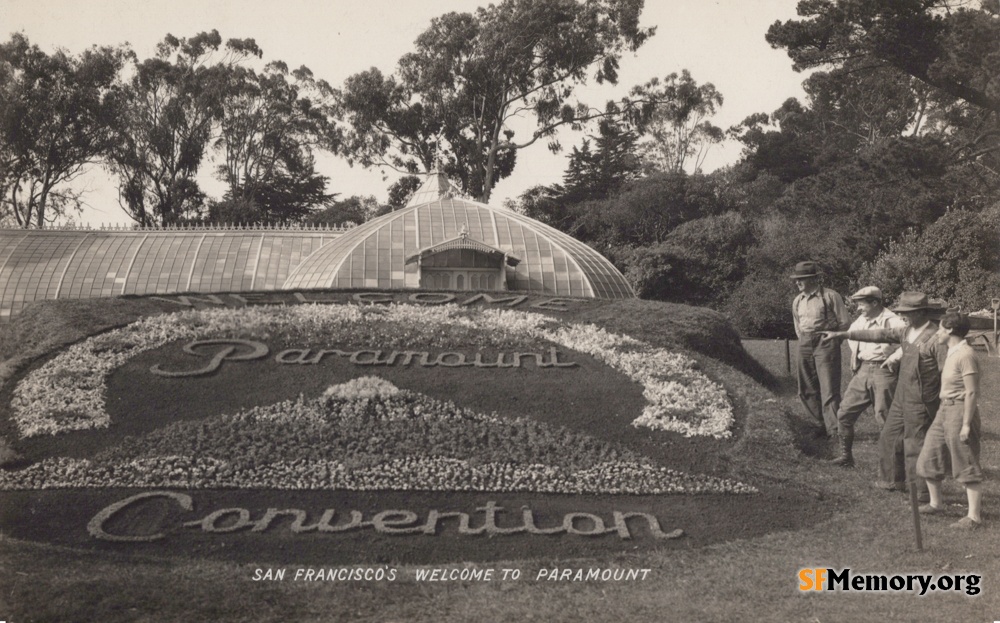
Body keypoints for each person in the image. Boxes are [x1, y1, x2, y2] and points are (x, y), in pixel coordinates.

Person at [821, 291, 946, 500]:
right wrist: (842, 335)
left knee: (916, 443)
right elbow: (878, 334)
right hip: (901, 395)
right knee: (889, 436)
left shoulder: (935, 338)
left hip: (922, 399)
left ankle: (922, 493)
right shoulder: (906, 330)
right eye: (902, 312)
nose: (904, 316)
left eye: (908, 312)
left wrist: (945, 402)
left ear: (922, 312)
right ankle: (891, 481)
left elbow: (947, 371)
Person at [916, 312, 984, 529]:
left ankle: (973, 517)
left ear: (951, 330)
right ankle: (936, 504)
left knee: (965, 459)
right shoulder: (951, 351)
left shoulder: (965, 354)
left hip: (960, 410)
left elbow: (972, 393)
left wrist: (965, 424)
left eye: (941, 329)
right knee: (929, 454)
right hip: (944, 409)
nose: (938, 332)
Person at [828, 286, 906, 467]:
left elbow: (909, 343)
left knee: (885, 419)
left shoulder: (893, 321)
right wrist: (856, 361)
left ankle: (893, 466)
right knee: (844, 413)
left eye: (862, 304)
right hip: (863, 371)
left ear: (875, 303)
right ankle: (846, 457)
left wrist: (894, 358)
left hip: (885, 371)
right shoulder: (860, 322)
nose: (858, 309)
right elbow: (852, 339)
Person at [790, 261, 851, 437]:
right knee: (806, 386)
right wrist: (804, 340)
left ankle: (833, 430)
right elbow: (798, 326)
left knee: (829, 387)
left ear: (812, 279)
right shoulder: (797, 301)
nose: (797, 283)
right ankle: (817, 425)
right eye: (797, 279)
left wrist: (833, 340)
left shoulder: (830, 296)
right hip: (804, 342)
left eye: (801, 279)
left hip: (826, 341)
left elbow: (844, 323)